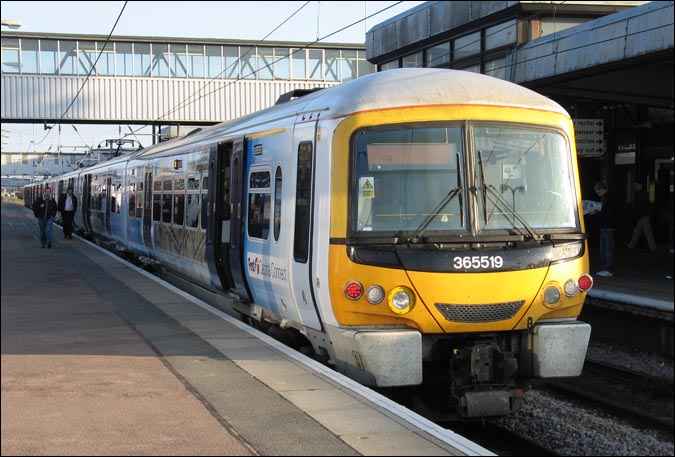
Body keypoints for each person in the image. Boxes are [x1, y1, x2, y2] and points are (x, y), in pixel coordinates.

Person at [593, 181, 616, 277]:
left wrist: (598, 211)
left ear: (602, 189)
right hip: (606, 226)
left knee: (607, 249)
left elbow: (608, 213)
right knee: (604, 249)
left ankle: (608, 269)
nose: (598, 194)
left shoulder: (609, 199)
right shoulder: (607, 198)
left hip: (608, 226)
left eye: (598, 192)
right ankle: (605, 268)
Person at [626, 182, 656, 251]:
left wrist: (637, 211)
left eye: (635, 185)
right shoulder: (643, 193)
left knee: (645, 232)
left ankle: (652, 247)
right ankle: (631, 246)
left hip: (643, 215)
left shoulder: (641, 194)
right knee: (638, 231)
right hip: (643, 215)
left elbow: (643, 205)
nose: (634, 187)